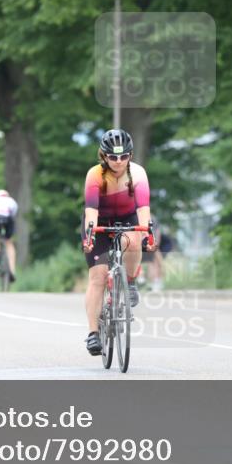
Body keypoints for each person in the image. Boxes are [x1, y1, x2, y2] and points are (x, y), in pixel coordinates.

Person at [81, 128, 155, 356]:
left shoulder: (138, 173)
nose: (119, 161)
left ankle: (130, 282)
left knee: (134, 240)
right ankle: (93, 333)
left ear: (130, 155)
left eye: (124, 156)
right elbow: (91, 210)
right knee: (98, 277)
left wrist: (147, 234)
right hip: (99, 221)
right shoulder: (95, 174)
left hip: (127, 218)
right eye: (113, 157)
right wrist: (91, 235)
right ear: (103, 156)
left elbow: (143, 208)